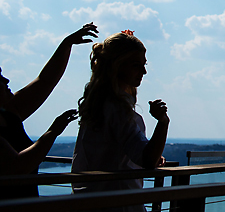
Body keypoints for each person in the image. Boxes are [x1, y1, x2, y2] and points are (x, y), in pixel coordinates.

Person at [72, 30, 169, 211]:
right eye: (136, 65)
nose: (144, 71)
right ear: (117, 65)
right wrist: (163, 122)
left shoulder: (99, 105)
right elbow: (145, 159)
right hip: (120, 202)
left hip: (95, 200)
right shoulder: (117, 110)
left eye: (143, 64)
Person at [0, 22, 98, 199]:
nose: (6, 80)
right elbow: (17, 166)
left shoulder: (10, 112)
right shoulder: (12, 111)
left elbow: (45, 81)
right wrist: (52, 132)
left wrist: (67, 44)